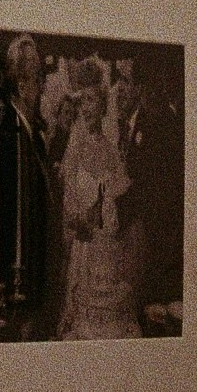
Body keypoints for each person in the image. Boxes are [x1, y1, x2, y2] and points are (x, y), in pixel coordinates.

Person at [56, 59, 143, 338]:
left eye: (92, 101)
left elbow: (116, 198)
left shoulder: (110, 150)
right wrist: (78, 219)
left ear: (103, 106)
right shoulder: (75, 148)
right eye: (83, 103)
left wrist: (104, 214)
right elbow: (68, 196)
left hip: (105, 246)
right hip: (82, 245)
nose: (86, 108)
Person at [0, 34, 57, 339]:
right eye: (38, 79)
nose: (42, 86)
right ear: (22, 84)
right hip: (23, 270)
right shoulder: (13, 131)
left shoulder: (30, 129)